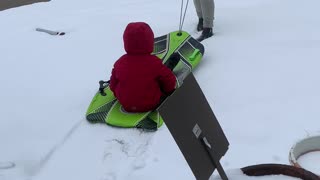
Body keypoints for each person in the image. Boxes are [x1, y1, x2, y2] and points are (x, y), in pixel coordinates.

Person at [109, 22, 177, 113]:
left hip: (125, 104)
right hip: (151, 103)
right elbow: (170, 82)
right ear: (150, 42)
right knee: (162, 75)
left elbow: (113, 85)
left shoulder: (120, 62)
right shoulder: (154, 62)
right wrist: (169, 91)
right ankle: (170, 65)